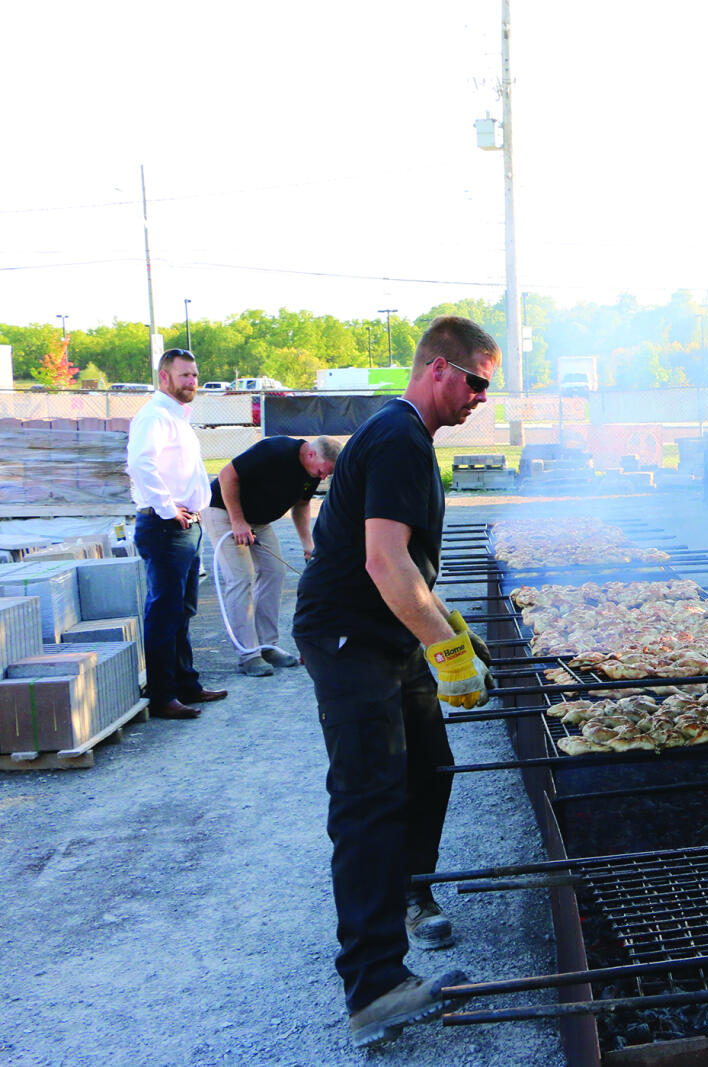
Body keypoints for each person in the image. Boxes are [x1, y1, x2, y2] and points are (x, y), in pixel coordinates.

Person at [291, 316, 500, 1048]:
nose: (481, 397)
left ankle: (412, 891)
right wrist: (447, 653)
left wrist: (456, 636)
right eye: (475, 381)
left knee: (431, 764)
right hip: (350, 637)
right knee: (369, 798)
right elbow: (385, 565)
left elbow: (413, 567)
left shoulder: (407, 438)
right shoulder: (402, 436)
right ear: (438, 368)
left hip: (386, 634)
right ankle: (375, 984)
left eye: (487, 387)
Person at [125, 348, 228, 720]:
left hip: (185, 527)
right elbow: (140, 463)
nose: (192, 382)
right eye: (185, 375)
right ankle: (163, 695)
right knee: (165, 612)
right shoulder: (154, 417)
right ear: (164, 377)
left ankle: (186, 684)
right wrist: (169, 508)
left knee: (182, 611)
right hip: (165, 526)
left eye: (195, 375)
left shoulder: (176, 417)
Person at [204, 435, 340, 676]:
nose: (322, 478)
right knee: (241, 577)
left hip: (258, 521)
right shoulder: (275, 450)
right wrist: (237, 521)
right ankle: (249, 655)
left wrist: (307, 543)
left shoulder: (310, 474)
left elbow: (301, 505)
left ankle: (267, 646)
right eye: (322, 471)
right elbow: (227, 475)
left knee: (275, 572)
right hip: (224, 511)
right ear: (311, 455)